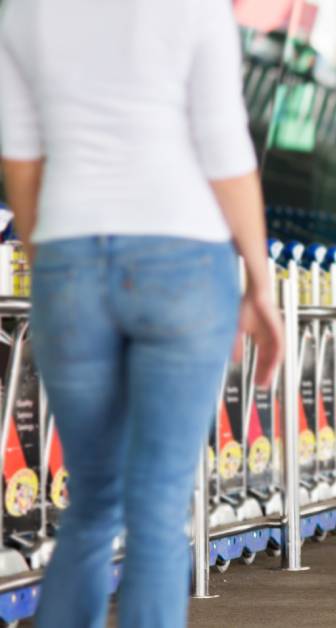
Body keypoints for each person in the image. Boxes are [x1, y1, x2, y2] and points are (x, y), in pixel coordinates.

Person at [0, 2, 283, 626]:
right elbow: (224, 150)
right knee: (157, 507)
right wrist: (258, 284)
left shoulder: (24, 11)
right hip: (182, 256)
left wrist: (54, 265)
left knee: (92, 501)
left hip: (70, 257)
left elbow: (20, 159)